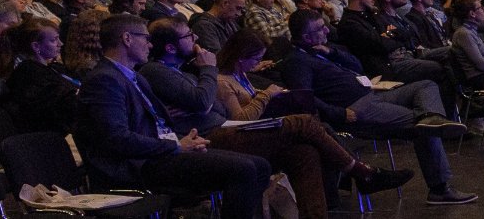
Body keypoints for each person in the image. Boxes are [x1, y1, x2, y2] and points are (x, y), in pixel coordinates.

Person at [142, 20, 413, 219]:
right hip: (208, 135)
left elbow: (202, 102)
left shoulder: (183, 72)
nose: (196, 37)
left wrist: (204, 91)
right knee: (304, 123)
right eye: (188, 35)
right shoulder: (159, 71)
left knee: (303, 151)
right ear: (170, 46)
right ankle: (361, 172)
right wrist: (210, 70)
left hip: (224, 127)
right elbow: (203, 101)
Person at [75, 14, 272, 218]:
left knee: (261, 166)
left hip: (159, 153)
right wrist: (176, 146)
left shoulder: (134, 77)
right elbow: (117, 138)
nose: (150, 45)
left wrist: (181, 141)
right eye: (145, 38)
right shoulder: (104, 80)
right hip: (138, 165)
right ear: (127, 39)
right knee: (245, 170)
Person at [278, 9, 479, 205]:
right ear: (305, 36)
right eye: (321, 29)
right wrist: (339, 113)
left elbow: (356, 66)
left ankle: (431, 116)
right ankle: (440, 189)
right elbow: (303, 98)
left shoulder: (318, 51)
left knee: (426, 85)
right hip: (356, 110)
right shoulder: (296, 62)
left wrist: (331, 51)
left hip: (372, 95)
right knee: (423, 128)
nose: (327, 31)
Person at [5, 18, 80, 134]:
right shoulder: (32, 75)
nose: (61, 44)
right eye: (54, 40)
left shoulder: (51, 68)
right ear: (36, 46)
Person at [448, 0, 484, 90]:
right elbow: (480, 64)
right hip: (477, 78)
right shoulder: (464, 34)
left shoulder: (471, 31)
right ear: (472, 14)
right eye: (480, 8)